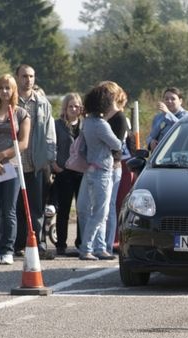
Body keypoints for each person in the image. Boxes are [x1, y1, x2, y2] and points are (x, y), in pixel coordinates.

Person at [14, 64, 56, 259]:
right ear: (17, 78)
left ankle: (38, 243)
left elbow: (50, 134)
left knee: (36, 207)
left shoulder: (42, 103)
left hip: (35, 164)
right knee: (15, 207)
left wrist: (49, 159)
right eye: (24, 76)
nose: (28, 80)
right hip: (13, 164)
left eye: (31, 76)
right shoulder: (9, 103)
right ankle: (18, 243)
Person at [76, 85, 122, 261]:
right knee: (101, 213)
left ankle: (100, 247)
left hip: (90, 169)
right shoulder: (101, 125)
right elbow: (116, 144)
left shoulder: (87, 122)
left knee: (93, 210)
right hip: (102, 170)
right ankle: (87, 247)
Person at [0, 74, 30, 265]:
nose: (5, 91)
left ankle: (7, 249)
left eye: (8, 88)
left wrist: (2, 156)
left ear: (14, 90)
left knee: (9, 211)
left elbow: (23, 143)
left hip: (12, 168)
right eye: (2, 88)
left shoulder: (21, 113)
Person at [95, 81, 131, 255]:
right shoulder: (101, 116)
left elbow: (117, 145)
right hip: (98, 166)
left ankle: (107, 244)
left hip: (112, 167)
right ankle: (98, 243)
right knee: (98, 207)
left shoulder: (120, 118)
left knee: (108, 206)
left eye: (106, 93)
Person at [51, 93, 83, 256]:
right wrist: (55, 165)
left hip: (82, 172)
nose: (73, 109)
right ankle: (61, 243)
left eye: (76, 106)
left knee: (81, 209)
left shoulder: (85, 125)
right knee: (63, 210)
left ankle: (80, 243)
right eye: (70, 106)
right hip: (64, 171)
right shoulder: (57, 125)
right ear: (65, 107)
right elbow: (52, 145)